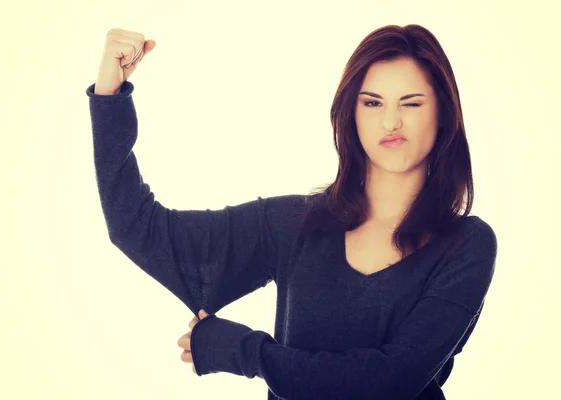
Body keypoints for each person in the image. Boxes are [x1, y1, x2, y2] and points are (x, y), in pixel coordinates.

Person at [86, 24, 497, 400]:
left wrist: (246, 352)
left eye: (411, 103)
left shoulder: (467, 246)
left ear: (443, 115)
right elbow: (137, 228)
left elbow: (389, 382)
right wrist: (109, 98)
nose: (391, 120)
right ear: (350, 115)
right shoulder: (295, 224)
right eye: (372, 103)